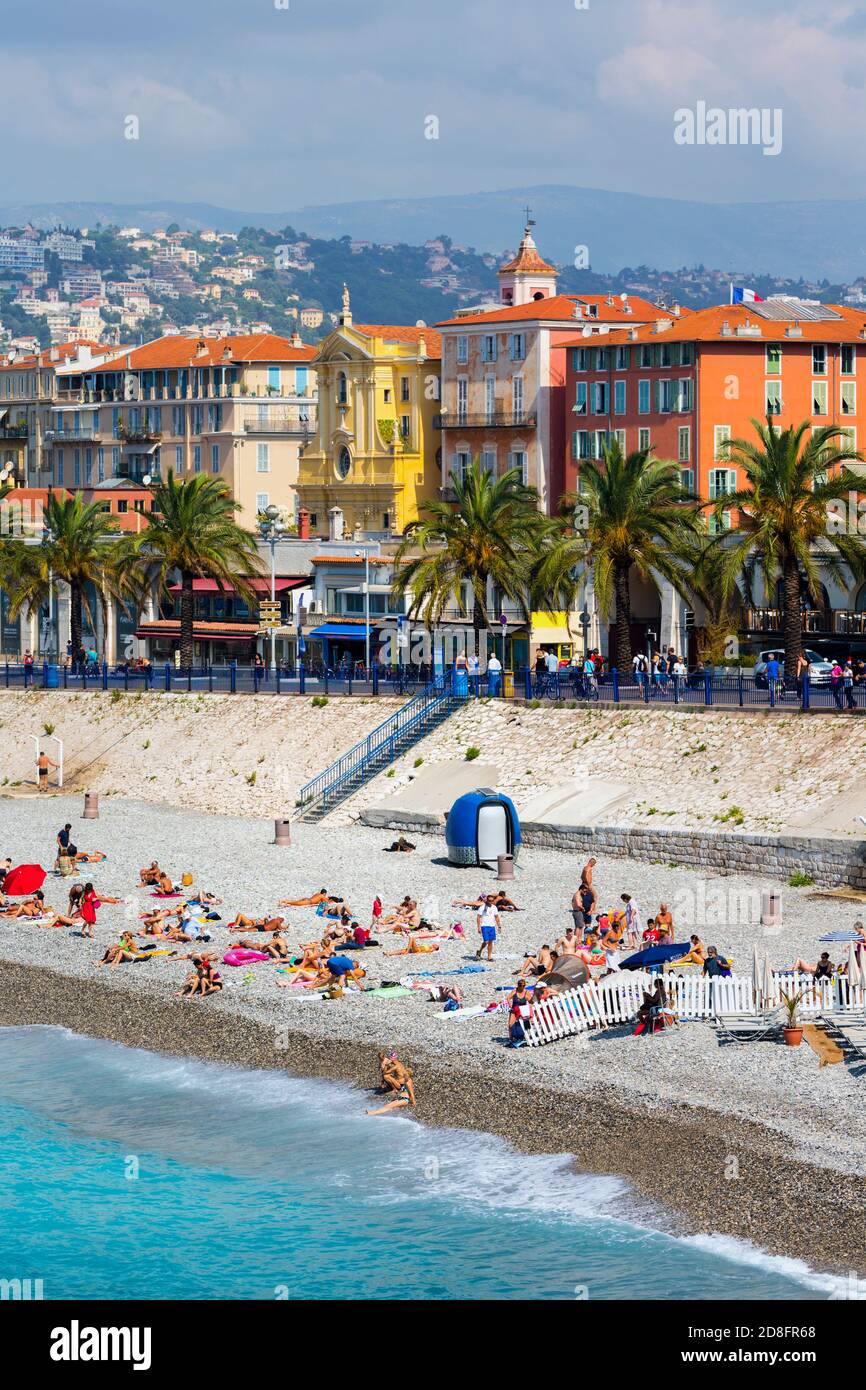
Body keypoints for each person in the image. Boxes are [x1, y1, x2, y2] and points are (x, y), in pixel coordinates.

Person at [475, 893, 501, 961]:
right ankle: (480, 951)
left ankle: (489, 956)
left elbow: (497, 917)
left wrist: (499, 926)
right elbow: (478, 917)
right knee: (486, 941)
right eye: (489, 900)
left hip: (492, 926)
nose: (490, 902)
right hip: (484, 926)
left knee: (491, 942)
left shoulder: (494, 907)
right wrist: (478, 927)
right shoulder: (482, 907)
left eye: (492, 901)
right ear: (487, 900)